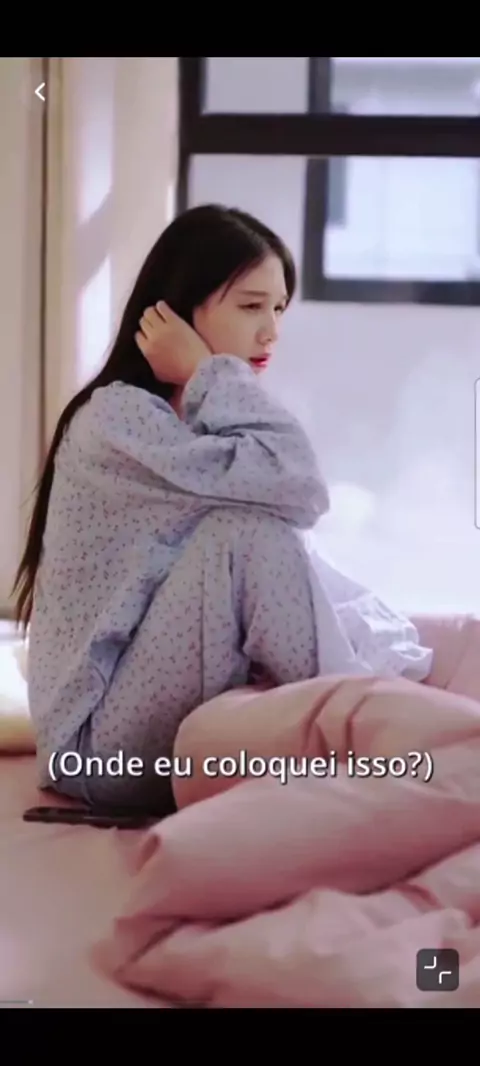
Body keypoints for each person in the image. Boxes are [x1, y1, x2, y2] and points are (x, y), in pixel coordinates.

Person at [13, 204, 432, 814]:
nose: (271, 331)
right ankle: (363, 734)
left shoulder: (200, 420)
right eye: (250, 306)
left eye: (279, 308)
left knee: (262, 535)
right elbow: (302, 485)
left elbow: (292, 509)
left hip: (139, 716)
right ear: (179, 308)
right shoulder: (118, 420)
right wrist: (208, 370)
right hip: (96, 748)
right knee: (244, 534)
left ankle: (367, 717)